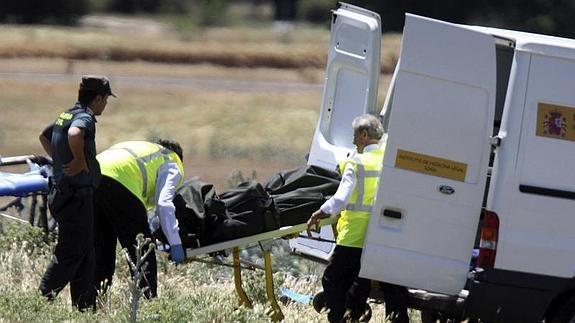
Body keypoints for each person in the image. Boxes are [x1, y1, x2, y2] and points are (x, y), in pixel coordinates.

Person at [307, 114, 409, 322]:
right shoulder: (390, 160)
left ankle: (340, 318)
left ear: (364, 135)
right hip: (385, 234)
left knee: (333, 279)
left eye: (355, 135)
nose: (353, 141)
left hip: (355, 236)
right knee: (388, 284)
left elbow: (341, 198)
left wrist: (321, 212)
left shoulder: (356, 163)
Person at [38, 75, 115, 310]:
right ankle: (38, 302)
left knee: (86, 253)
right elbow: (74, 134)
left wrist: (60, 160)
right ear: (98, 98)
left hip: (66, 194)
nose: (105, 105)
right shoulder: (84, 118)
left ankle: (85, 309)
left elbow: (44, 136)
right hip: (76, 197)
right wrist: (79, 161)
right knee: (71, 252)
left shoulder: (67, 114)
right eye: (105, 100)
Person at [94, 139, 185, 299]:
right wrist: (175, 243)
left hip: (92, 175)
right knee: (142, 249)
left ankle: (94, 304)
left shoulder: (146, 149)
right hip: (121, 181)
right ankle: (148, 304)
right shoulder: (173, 161)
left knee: (102, 248)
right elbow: (164, 204)